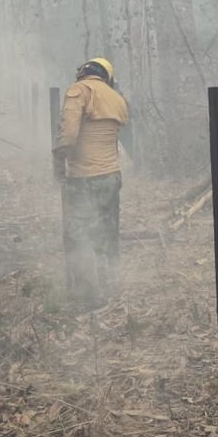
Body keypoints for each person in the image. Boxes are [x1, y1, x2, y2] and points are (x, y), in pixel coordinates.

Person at [52, 57, 130, 308]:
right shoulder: (116, 98)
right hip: (111, 176)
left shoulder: (79, 91)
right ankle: (110, 286)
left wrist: (58, 160)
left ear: (85, 71)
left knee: (79, 235)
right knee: (107, 232)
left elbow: (68, 135)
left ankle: (86, 297)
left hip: (83, 178)